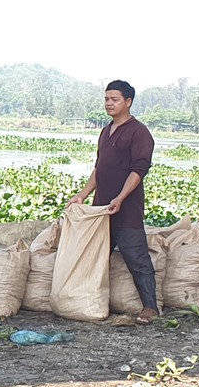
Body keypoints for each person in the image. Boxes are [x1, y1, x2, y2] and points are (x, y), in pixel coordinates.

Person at [68, 79, 160, 324]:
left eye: (114, 99)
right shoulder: (106, 131)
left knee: (137, 258)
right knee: (94, 256)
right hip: (101, 209)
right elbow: (100, 168)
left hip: (126, 209)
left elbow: (138, 170)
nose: (108, 103)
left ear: (128, 102)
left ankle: (150, 307)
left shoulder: (139, 132)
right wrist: (83, 195)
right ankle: (82, 301)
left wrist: (120, 198)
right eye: (106, 99)